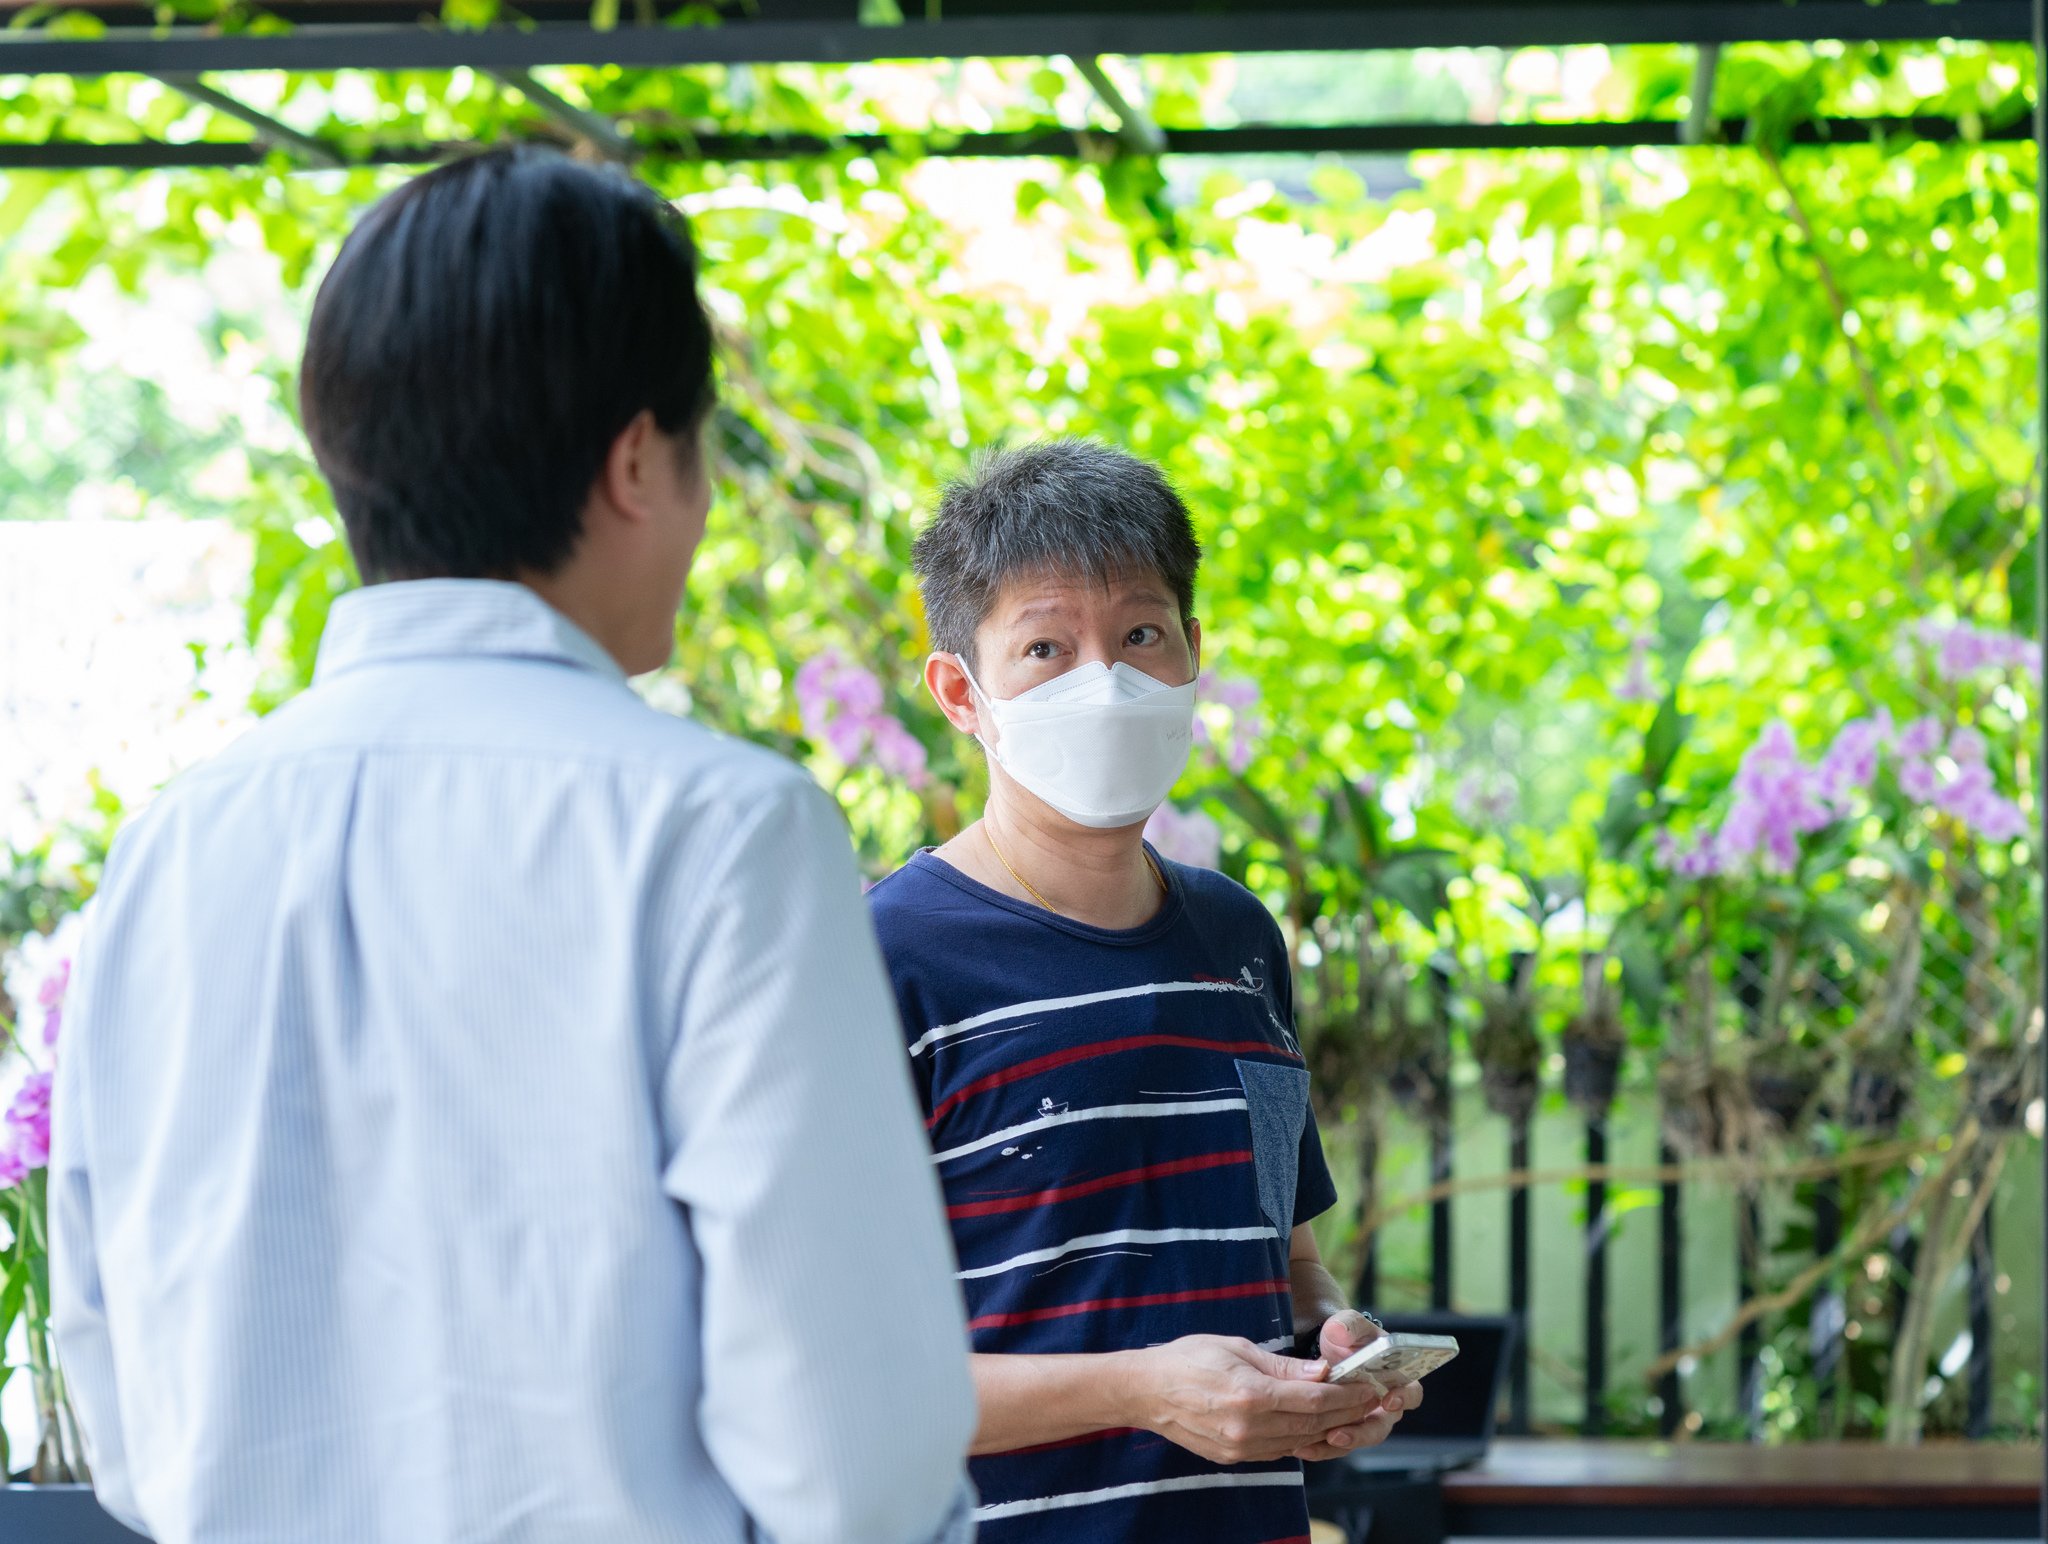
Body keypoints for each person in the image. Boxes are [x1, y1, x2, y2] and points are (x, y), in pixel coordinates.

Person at [50, 149, 976, 1544]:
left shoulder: (169, 849)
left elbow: (119, 1401)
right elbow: (853, 1467)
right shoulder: (721, 832)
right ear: (635, 461)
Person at [867, 438, 1419, 1544]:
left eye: (1139, 635)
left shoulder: (1238, 937)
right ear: (960, 693)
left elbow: (1288, 1261)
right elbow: (847, 1378)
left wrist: (1334, 1346)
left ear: (1191, 651)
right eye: (1044, 647)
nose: (1105, 682)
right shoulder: (882, 959)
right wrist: (1140, 1390)